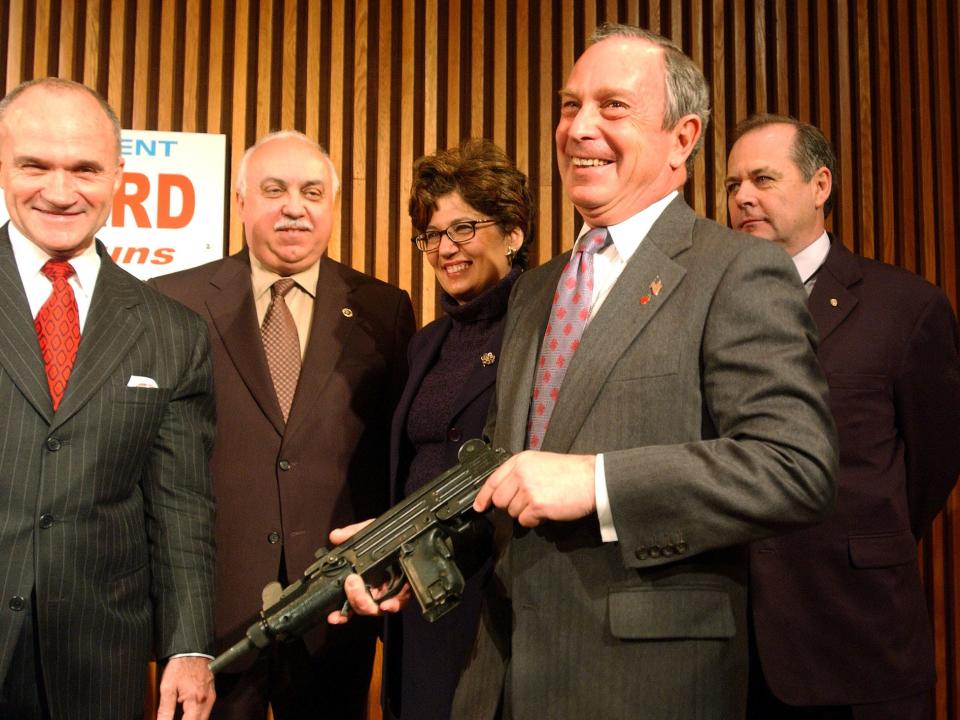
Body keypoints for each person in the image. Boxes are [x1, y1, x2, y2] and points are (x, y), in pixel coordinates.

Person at [339, 22, 837, 719]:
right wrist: (404, 545)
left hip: (643, 686)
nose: (579, 128)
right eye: (570, 105)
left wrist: (597, 480)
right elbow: (503, 474)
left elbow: (794, 467)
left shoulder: (737, 270)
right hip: (499, 681)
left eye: (612, 107)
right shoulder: (537, 289)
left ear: (683, 137)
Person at [150, 129, 415, 719]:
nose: (295, 206)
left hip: (336, 608)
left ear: (332, 205)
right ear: (241, 200)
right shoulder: (174, 302)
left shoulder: (383, 309)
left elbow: (394, 460)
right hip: (215, 620)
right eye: (275, 190)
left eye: (312, 191)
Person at [726, 114, 960, 719]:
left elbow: (931, 467)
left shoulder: (905, 306)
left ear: (821, 185)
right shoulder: (709, 310)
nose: (743, 197)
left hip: (854, 636)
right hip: (729, 649)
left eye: (763, 179)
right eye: (732, 185)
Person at [0, 79, 216, 719]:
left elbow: (182, 509)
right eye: (35, 165)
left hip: (101, 665)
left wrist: (189, 648)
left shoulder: (173, 331)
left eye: (85, 169)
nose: (60, 192)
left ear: (120, 175)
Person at [381, 139, 533, 720]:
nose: (445, 249)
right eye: (432, 235)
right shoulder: (425, 344)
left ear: (513, 232)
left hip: (498, 613)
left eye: (463, 229)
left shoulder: (542, 331)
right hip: (422, 606)